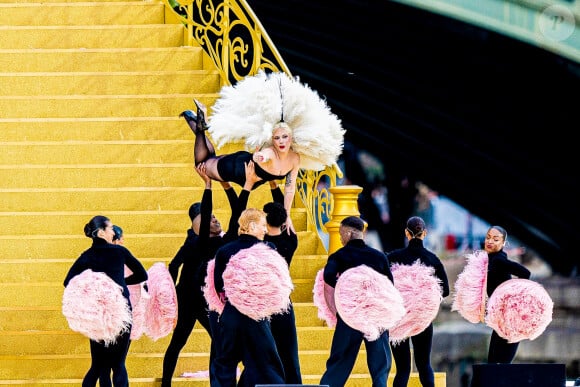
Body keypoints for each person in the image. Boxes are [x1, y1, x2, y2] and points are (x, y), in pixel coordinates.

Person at [162, 162, 255, 387]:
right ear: (199, 223)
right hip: (187, 299)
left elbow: (237, 215)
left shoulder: (225, 241)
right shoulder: (198, 242)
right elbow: (173, 266)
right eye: (210, 218)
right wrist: (208, 185)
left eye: (215, 217)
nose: (215, 219)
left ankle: (222, 381)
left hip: (207, 300)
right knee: (178, 342)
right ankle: (166, 384)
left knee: (221, 340)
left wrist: (235, 186)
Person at [180, 100, 300, 234]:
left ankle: (196, 122)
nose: (281, 141)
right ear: (272, 140)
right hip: (238, 169)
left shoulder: (295, 158)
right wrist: (259, 157)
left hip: (244, 169)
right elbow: (264, 155)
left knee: (210, 158)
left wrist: (288, 215)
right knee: (202, 164)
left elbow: (290, 188)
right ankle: (199, 126)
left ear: (291, 138)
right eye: (277, 138)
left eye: (285, 137)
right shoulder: (270, 152)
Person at [63, 215, 148, 387]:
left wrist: (91, 288)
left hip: (98, 317)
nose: (112, 232)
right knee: (118, 365)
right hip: (121, 313)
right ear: (101, 232)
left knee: (97, 365)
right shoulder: (120, 251)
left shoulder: (86, 255)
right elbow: (142, 275)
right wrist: (122, 283)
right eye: (110, 229)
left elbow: (68, 282)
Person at [211, 208, 286, 387]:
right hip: (256, 317)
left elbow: (218, 286)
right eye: (262, 225)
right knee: (266, 364)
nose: (266, 230)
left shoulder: (224, 250)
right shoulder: (269, 249)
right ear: (251, 226)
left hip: (230, 316)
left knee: (225, 364)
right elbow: (276, 282)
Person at [319, 216, 395, 387]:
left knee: (338, 364)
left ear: (348, 232)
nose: (340, 238)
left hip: (350, 316)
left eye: (340, 234)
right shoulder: (379, 257)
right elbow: (390, 287)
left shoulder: (339, 256)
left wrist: (340, 307)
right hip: (376, 317)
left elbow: (328, 277)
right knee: (380, 368)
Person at [387, 216, 450, 387]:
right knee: (424, 365)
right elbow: (445, 291)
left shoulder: (393, 257)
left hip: (399, 319)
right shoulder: (432, 259)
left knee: (402, 369)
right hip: (422, 320)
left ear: (406, 233)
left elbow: (385, 284)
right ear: (425, 233)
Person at [263, 199, 302, 384]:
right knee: (289, 352)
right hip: (283, 301)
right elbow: (285, 214)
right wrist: (274, 185)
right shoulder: (290, 240)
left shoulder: (259, 243)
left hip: (263, 301)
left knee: (263, 351)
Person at [484, 225, 531, 364]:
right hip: (501, 319)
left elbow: (525, 273)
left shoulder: (498, 260)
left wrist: (514, 298)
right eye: (488, 237)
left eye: (495, 239)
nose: (490, 241)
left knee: (499, 365)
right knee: (493, 364)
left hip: (510, 320)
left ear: (503, 243)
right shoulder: (490, 260)